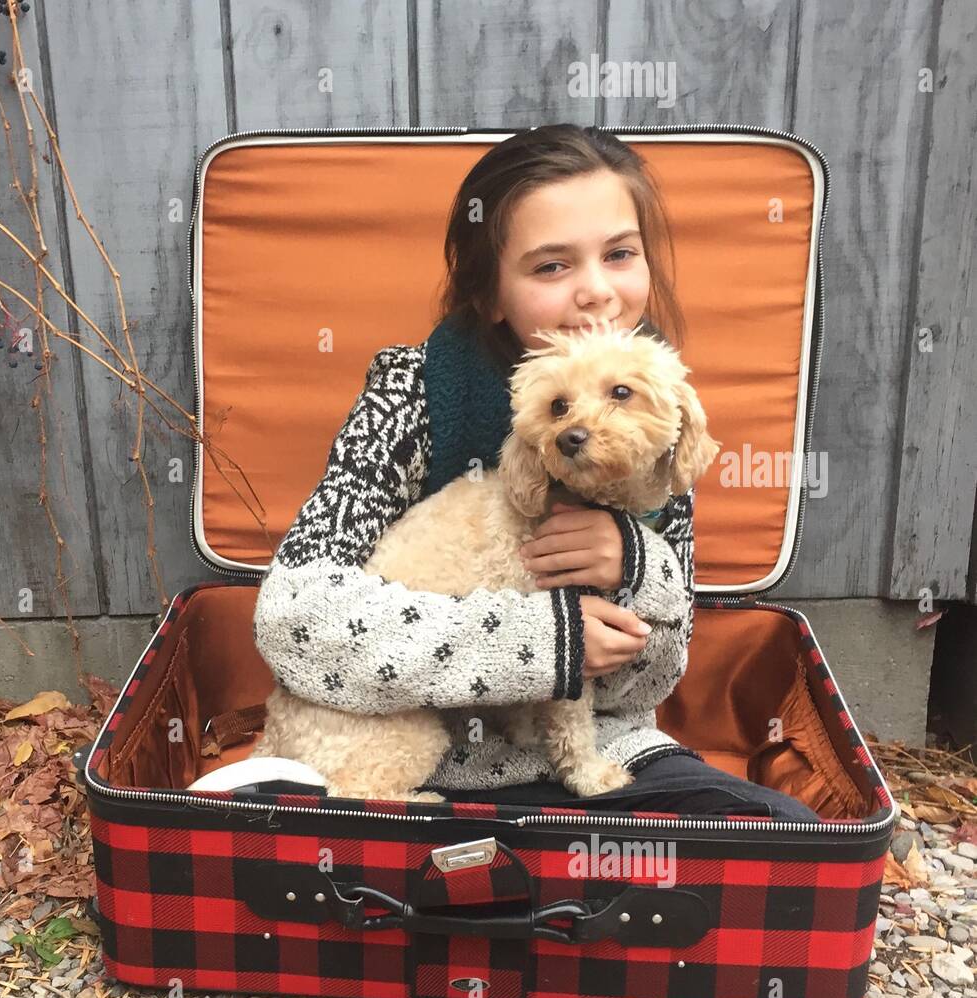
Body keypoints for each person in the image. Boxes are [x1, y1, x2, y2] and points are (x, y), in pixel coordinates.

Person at [252, 124, 816, 821]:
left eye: (619, 254)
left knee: (781, 832)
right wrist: (548, 639)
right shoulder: (410, 390)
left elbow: (648, 685)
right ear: (490, 293)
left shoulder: (656, 408)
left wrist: (637, 568)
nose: (596, 292)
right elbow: (292, 620)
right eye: (552, 267)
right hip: (415, 747)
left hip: (586, 752)